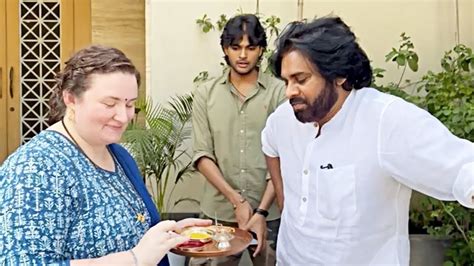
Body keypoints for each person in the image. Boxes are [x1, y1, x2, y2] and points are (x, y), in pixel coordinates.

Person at [261, 16, 474, 265]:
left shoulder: (386, 120)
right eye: (286, 81)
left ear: (339, 74)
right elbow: (270, 145)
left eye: (301, 79)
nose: (289, 92)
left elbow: (463, 168)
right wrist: (285, 200)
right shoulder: (287, 116)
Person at [0, 45, 211, 265]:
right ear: (71, 99)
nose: (123, 116)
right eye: (110, 103)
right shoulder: (36, 168)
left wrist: (166, 235)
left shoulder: (118, 154)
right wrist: (134, 259)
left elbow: (131, 229)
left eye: (130, 105)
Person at [192, 14, 286, 265]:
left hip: (270, 212)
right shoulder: (205, 94)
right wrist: (237, 200)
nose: (243, 55)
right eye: (236, 47)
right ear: (225, 49)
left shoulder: (280, 93)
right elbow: (202, 155)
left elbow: (284, 156)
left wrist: (261, 211)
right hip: (220, 213)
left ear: (261, 50)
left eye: (250, 47)